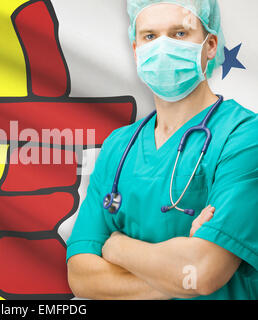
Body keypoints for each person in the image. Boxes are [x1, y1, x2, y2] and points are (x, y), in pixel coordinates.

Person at [66, 0, 258, 300]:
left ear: (210, 46)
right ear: (135, 50)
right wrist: (176, 272)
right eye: (150, 36)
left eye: (179, 33)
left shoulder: (244, 135)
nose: (162, 48)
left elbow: (202, 273)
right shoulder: (119, 145)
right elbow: (80, 275)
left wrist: (116, 246)